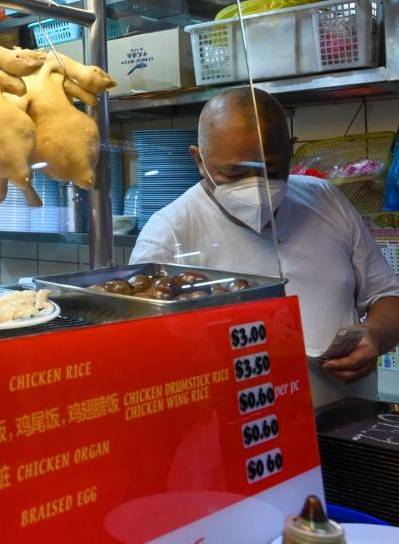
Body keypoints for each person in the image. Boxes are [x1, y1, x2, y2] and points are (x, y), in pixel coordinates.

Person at [130, 87, 399, 406]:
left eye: (271, 171)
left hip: (345, 424)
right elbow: (144, 357)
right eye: (234, 173)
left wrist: (375, 336)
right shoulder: (169, 232)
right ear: (199, 161)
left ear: (290, 150)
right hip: (240, 434)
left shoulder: (326, 200)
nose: (255, 187)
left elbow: (388, 297)